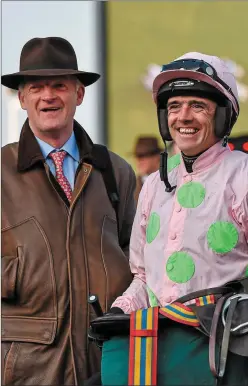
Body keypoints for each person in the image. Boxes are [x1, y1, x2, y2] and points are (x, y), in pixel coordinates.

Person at [112, 51, 248, 312]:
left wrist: (240, 325)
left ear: (222, 117)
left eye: (197, 106)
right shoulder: (153, 186)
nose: (184, 116)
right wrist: (120, 310)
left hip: (228, 344)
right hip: (162, 344)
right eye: (174, 106)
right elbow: (144, 279)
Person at [1, 37, 136, 385]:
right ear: (22, 98)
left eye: (59, 85)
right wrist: (17, 274)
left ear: (79, 95)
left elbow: (138, 257)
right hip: (26, 366)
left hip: (106, 359)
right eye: (37, 87)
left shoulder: (115, 171)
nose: (48, 96)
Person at [132, 136, 162, 201]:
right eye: (137, 156)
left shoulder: (171, 181)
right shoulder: (130, 186)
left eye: (143, 156)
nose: (139, 161)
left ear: (157, 156)